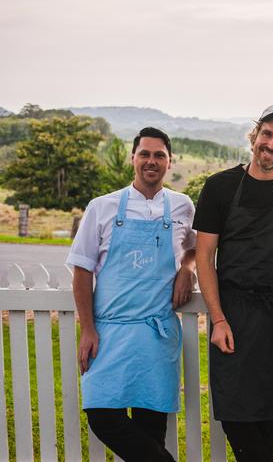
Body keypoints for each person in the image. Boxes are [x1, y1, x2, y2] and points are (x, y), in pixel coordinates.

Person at [193, 103, 273, 462]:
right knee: (235, 415)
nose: (272, 143)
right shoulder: (219, 187)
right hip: (233, 314)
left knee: (271, 416)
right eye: (267, 133)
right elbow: (204, 257)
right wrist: (218, 320)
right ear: (255, 135)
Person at [67, 127, 196, 461]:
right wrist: (88, 328)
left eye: (159, 155)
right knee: (101, 416)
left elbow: (196, 248)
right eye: (145, 154)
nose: (151, 161)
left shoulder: (182, 207)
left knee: (151, 429)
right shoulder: (102, 207)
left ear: (170, 162)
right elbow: (82, 270)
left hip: (156, 336)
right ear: (133, 158)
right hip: (110, 334)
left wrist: (187, 268)